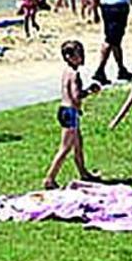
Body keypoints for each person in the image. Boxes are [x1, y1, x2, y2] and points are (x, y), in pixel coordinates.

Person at [46, 41, 103, 188]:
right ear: (68, 57)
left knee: (78, 145)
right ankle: (50, 178)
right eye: (79, 54)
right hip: (70, 112)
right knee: (65, 148)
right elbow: (76, 95)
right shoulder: (75, 74)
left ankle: (83, 173)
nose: (82, 57)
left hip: (65, 110)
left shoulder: (67, 71)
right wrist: (90, 91)